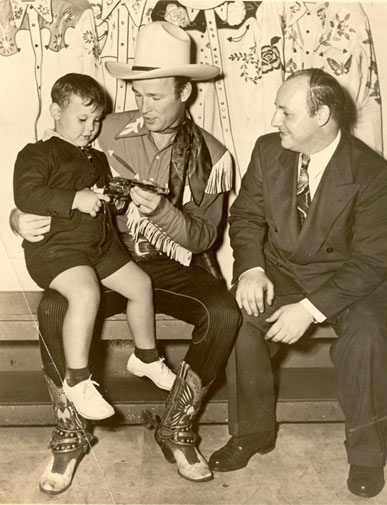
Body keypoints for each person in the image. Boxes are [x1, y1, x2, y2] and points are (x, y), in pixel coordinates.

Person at [10, 21, 240, 492]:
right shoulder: (102, 132)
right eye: (139, 94)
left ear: (185, 92)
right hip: (100, 256)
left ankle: (176, 427)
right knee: (56, 305)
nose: (144, 106)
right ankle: (70, 433)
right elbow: (44, 176)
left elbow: (200, 239)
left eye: (156, 96)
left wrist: (165, 212)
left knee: (223, 311)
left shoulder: (213, 157)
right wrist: (18, 217)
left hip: (172, 265)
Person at [209, 68, 387, 499]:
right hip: (283, 271)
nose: (275, 121)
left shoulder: (375, 175)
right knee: (241, 317)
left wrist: (309, 309)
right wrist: (251, 269)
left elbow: (371, 262)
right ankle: (253, 433)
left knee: (367, 339)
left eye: (286, 113)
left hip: (353, 281)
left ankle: (366, 456)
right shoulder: (268, 151)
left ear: (323, 116)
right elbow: (247, 217)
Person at [13, 73, 176, 421]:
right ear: (56, 111)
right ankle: (77, 380)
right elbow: (26, 194)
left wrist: (118, 197)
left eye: (97, 120)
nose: (91, 128)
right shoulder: (37, 153)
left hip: (98, 248)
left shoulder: (96, 158)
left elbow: (100, 201)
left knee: (141, 285)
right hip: (56, 251)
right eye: (82, 119)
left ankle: (145, 358)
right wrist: (76, 198)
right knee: (86, 293)